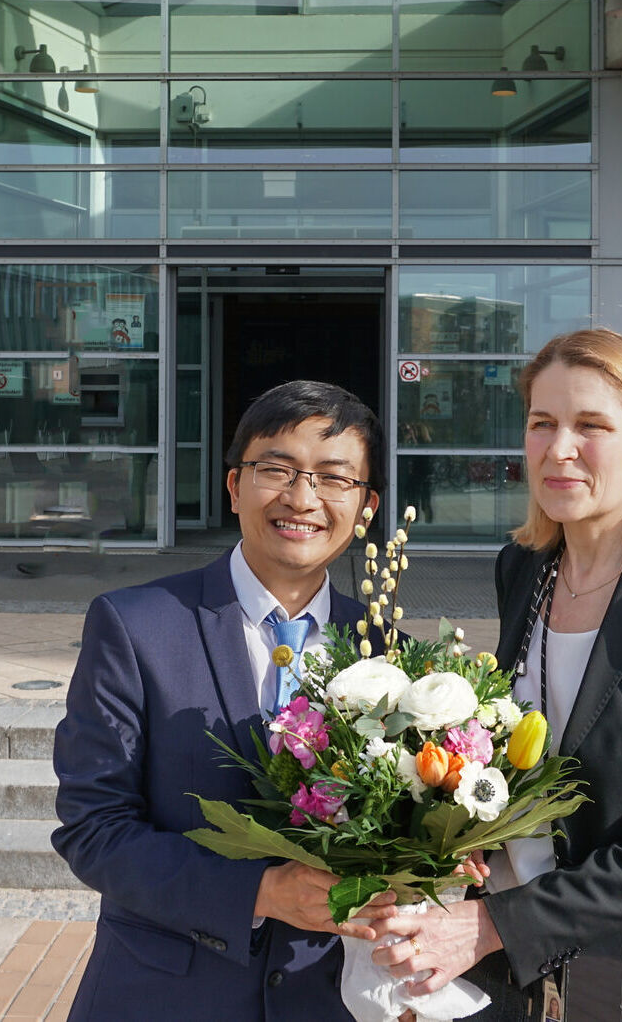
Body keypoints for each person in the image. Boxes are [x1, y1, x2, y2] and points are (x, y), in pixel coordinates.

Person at [370, 328, 622, 1022]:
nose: (559, 449)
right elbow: (526, 752)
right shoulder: (522, 567)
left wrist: (497, 924)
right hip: (516, 975)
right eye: (540, 423)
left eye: (591, 425)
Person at [52, 379, 397, 1022]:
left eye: (333, 478)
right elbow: (93, 827)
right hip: (165, 997)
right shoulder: (136, 626)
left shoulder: (389, 651)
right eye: (278, 470)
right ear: (235, 486)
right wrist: (262, 892)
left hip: (330, 1003)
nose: (303, 498)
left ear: (367, 506)